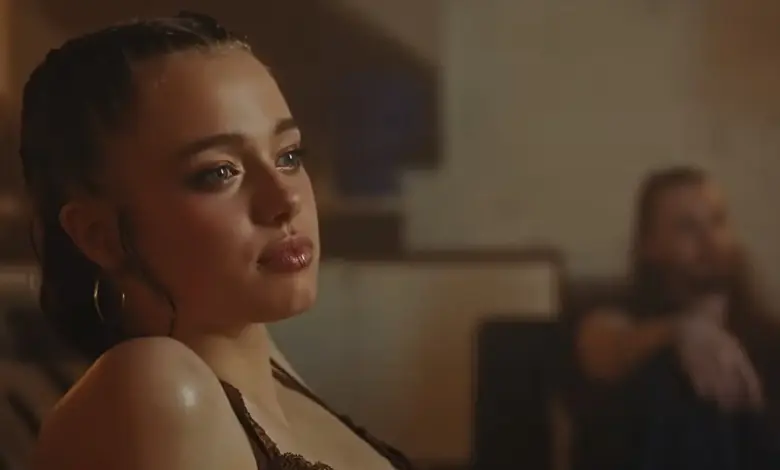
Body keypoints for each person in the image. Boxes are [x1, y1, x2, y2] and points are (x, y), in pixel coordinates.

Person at [21, 12, 413, 470]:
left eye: (288, 156)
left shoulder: (264, 365)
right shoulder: (159, 387)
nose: (286, 199)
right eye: (219, 172)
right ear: (99, 235)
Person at [573, 166, 780, 470]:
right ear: (649, 246)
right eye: (687, 227)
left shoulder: (768, 338)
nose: (711, 241)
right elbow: (603, 346)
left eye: (718, 221)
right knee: (669, 375)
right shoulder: (622, 316)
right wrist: (681, 332)